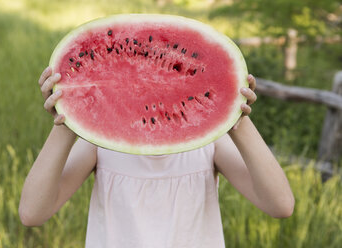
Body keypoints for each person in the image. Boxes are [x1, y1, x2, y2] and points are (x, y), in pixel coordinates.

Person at [19, 67, 295, 248]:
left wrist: (236, 118)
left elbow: (280, 205)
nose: (155, 98)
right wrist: (69, 120)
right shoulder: (102, 144)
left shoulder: (210, 144)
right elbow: (32, 213)